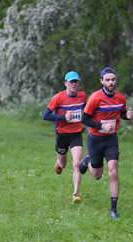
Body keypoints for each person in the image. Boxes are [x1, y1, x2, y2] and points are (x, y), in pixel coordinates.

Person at [79, 67, 133, 219]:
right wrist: (101, 125)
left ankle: (114, 210)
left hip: (111, 139)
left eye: (113, 79)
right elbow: (85, 119)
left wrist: (126, 116)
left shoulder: (120, 98)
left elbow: (120, 112)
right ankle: (88, 159)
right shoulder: (95, 98)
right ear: (101, 81)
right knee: (97, 176)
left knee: (113, 171)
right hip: (95, 138)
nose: (111, 82)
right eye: (108, 80)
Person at [43, 71, 86, 203]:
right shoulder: (58, 98)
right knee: (62, 165)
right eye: (71, 81)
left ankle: (75, 194)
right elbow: (46, 116)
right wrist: (63, 117)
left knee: (77, 163)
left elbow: (87, 112)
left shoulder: (83, 96)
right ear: (66, 83)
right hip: (61, 135)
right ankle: (58, 162)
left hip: (76, 134)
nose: (74, 84)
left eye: (76, 81)